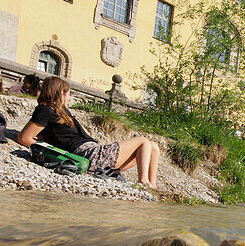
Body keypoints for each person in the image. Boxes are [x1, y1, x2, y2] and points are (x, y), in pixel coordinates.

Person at [16, 76, 161, 188]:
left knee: (153, 146)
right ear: (61, 93)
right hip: (87, 155)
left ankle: (152, 185)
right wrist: (53, 151)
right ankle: (143, 181)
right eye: (68, 94)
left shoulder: (60, 112)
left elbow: (51, 134)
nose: (70, 98)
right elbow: (24, 138)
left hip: (92, 153)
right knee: (143, 141)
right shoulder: (45, 111)